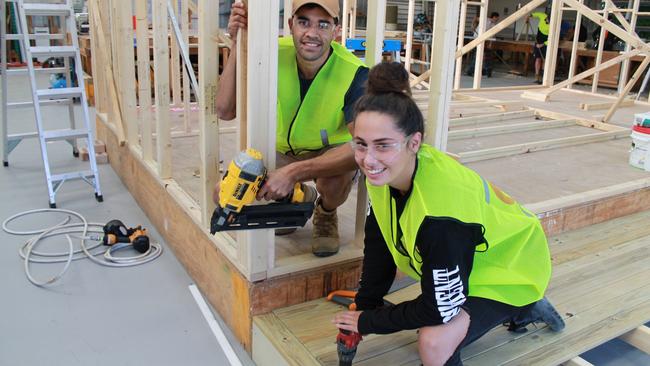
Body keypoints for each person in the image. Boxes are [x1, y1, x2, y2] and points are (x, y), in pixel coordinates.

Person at [332, 62, 565, 365]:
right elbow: (381, 243)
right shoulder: (389, 170)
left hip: (510, 268)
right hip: (469, 263)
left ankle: (524, 303)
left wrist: (367, 323)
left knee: (433, 342)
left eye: (382, 145)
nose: (368, 159)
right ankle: (519, 309)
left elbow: (437, 309)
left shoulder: (440, 216)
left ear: (414, 142)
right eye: (361, 145)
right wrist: (365, 306)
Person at [214, 0, 369, 257]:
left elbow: (363, 145)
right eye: (303, 22)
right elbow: (224, 109)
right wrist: (237, 41)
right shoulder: (272, 54)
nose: (312, 33)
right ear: (291, 25)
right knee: (223, 193)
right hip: (281, 150)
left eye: (323, 24)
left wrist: (292, 173)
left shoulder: (354, 72)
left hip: (328, 156)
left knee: (336, 180)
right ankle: (294, 200)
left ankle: (326, 212)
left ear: (336, 30)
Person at [527, 11, 550, 84]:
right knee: (537, 59)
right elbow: (535, 14)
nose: (548, 22)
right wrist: (529, 16)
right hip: (538, 41)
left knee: (545, 60)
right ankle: (537, 76)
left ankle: (544, 77)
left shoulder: (553, 26)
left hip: (546, 43)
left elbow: (552, 38)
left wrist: (543, 44)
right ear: (546, 18)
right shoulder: (543, 15)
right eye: (548, 20)